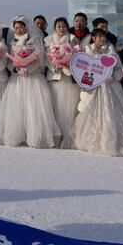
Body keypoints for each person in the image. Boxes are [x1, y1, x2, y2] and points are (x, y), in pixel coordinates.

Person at [0, 16, 61, 148]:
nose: (19, 30)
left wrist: (28, 69)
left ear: (26, 27)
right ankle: (17, 136)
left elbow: (40, 60)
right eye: (16, 28)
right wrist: (16, 69)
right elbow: (9, 61)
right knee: (17, 108)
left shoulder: (34, 40)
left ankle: (35, 137)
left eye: (21, 27)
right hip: (17, 79)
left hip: (33, 78)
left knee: (32, 108)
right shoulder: (12, 42)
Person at [74, 28, 123, 157]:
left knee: (111, 114)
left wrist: (114, 77)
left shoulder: (110, 51)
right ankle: (89, 140)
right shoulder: (87, 51)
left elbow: (119, 69)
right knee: (90, 113)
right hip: (92, 88)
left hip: (109, 88)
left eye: (104, 37)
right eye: (99, 37)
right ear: (93, 38)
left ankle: (110, 141)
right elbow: (80, 68)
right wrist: (83, 83)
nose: (102, 39)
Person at [43, 17, 80, 149]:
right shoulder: (48, 40)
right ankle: (56, 136)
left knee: (70, 107)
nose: (61, 29)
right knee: (55, 106)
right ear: (54, 28)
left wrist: (68, 65)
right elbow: (45, 58)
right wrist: (54, 66)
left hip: (69, 78)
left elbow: (78, 57)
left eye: (64, 26)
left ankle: (68, 136)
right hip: (55, 77)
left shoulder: (73, 39)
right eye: (59, 26)